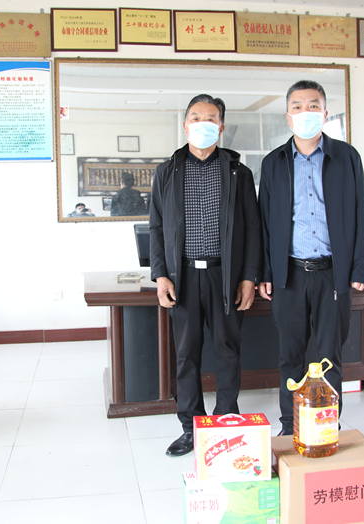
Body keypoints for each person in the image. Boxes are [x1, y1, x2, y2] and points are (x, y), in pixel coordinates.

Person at [149, 94, 262, 456]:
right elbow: (155, 227)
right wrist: (160, 275)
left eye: (210, 118)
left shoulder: (238, 173)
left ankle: (226, 418)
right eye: (196, 117)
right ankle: (191, 427)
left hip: (224, 276)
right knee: (187, 355)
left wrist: (249, 277)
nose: (203, 124)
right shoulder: (166, 172)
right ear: (186, 125)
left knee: (227, 351)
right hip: (182, 277)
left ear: (221, 126)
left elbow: (253, 228)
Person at [258, 80, 364, 436]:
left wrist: (360, 266)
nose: (305, 112)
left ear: (324, 113)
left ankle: (326, 426)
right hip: (289, 275)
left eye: (312, 106)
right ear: (287, 116)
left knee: (328, 358)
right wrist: (266, 272)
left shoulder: (347, 157)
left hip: (332, 274)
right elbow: (264, 222)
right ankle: (290, 425)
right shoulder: (273, 163)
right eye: (297, 106)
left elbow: (360, 212)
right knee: (290, 357)